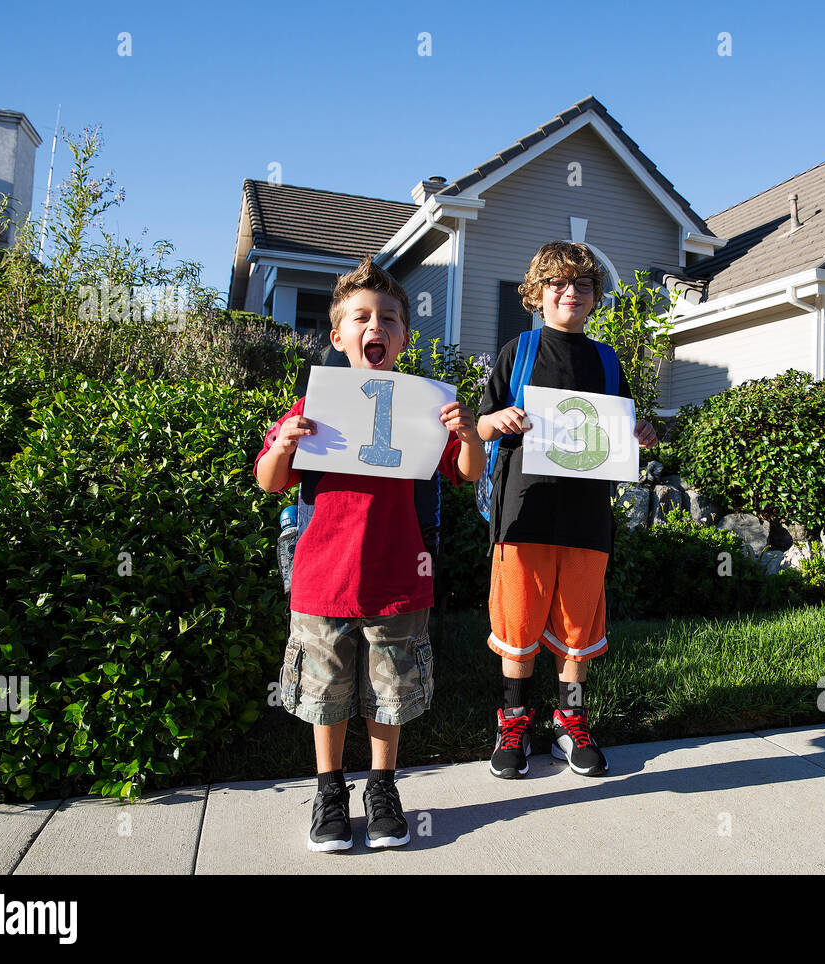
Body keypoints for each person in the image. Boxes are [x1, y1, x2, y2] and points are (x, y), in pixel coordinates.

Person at [254, 257, 484, 851]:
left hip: (397, 577)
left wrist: (468, 434)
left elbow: (464, 474)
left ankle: (382, 786)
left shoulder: (423, 410)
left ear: (404, 336)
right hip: (322, 577)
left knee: (391, 688)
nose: (373, 326)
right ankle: (329, 788)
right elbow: (269, 482)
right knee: (325, 691)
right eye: (359, 317)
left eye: (387, 319)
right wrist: (283, 442)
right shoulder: (313, 409)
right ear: (338, 335)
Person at [476, 241, 656, 779]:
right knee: (518, 621)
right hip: (523, 513)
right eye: (557, 283)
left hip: (585, 518)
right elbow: (480, 426)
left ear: (596, 296)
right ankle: (514, 722)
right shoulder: (518, 351)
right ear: (537, 293)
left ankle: (570, 721)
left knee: (577, 628)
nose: (570, 292)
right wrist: (500, 419)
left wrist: (641, 432)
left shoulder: (605, 359)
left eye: (581, 284)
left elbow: (620, 431)